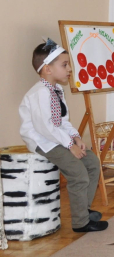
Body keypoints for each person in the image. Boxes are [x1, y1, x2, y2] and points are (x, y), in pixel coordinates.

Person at [18, 39, 106, 232]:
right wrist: (69, 145)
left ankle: (84, 209)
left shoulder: (56, 90)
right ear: (47, 69)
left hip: (57, 138)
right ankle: (81, 222)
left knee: (92, 162)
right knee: (78, 173)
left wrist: (76, 138)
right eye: (64, 65)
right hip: (42, 141)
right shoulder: (40, 93)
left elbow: (62, 121)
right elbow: (45, 127)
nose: (69, 69)